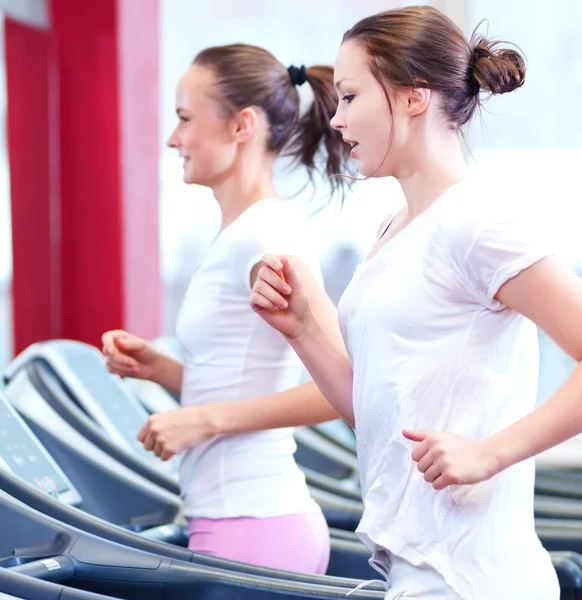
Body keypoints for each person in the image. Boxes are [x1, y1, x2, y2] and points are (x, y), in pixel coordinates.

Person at [250, 6, 574, 599]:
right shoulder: (396, 227)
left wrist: (491, 452)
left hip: (470, 580)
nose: (337, 118)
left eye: (349, 97)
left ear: (414, 98)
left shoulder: (476, 223)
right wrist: (300, 327)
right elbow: (377, 410)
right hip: (417, 570)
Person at [101, 43, 352, 574]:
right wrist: (164, 371)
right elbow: (250, 373)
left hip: (254, 528)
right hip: (237, 523)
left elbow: (347, 386)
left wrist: (204, 420)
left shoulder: (265, 239)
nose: (174, 139)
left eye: (186, 119)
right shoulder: (240, 234)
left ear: (242, 126)